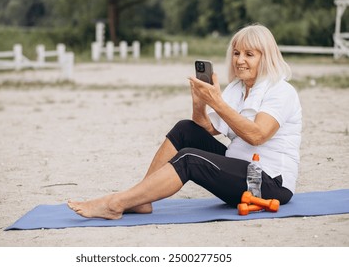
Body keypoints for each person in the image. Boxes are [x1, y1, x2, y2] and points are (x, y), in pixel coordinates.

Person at [68, 24, 302, 219]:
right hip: (238, 170)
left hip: (268, 183)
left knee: (190, 159)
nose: (239, 60)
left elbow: (257, 135)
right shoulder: (238, 89)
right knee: (185, 130)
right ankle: (140, 200)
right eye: (236, 53)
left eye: (249, 54)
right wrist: (199, 102)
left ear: (266, 58)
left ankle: (114, 203)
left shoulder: (281, 91)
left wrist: (218, 102)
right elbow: (205, 128)